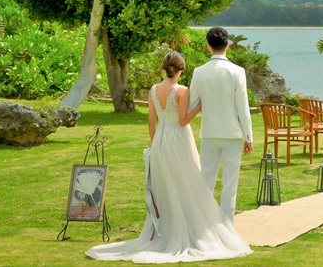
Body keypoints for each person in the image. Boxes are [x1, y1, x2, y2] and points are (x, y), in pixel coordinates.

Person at [86, 51, 252, 263]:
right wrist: (200, 107)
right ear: (181, 70)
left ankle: (168, 228)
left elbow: (151, 122)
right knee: (187, 183)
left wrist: (156, 145)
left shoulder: (154, 90)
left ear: (165, 68)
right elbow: (183, 121)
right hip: (180, 141)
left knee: (166, 187)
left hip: (161, 142)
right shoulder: (181, 90)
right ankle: (192, 229)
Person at [188, 27, 254, 222]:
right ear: (228, 45)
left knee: (206, 181)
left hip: (209, 133)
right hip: (232, 134)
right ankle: (227, 226)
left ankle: (202, 224)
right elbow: (243, 108)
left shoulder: (199, 72)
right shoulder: (237, 71)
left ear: (208, 46)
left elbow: (192, 104)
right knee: (230, 184)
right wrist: (248, 137)